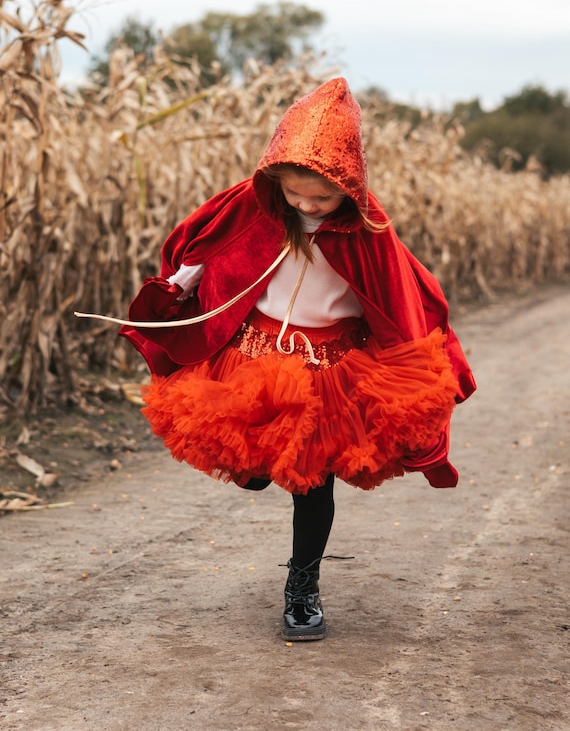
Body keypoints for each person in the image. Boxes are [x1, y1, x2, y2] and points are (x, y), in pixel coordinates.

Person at [118, 77, 476, 642]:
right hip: (251, 360)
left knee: (313, 482)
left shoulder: (368, 231)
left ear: (348, 186)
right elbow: (207, 248)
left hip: (329, 367)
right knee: (254, 463)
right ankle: (258, 469)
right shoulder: (251, 209)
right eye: (296, 195)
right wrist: (180, 285)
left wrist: (416, 369)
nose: (308, 206)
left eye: (322, 198)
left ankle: (302, 588)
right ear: (275, 182)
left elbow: (399, 299)